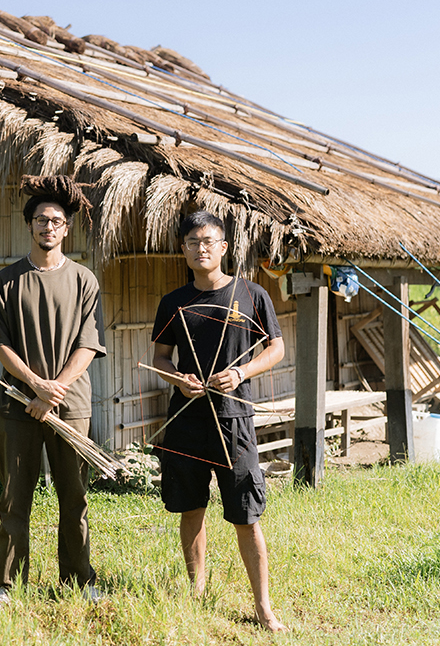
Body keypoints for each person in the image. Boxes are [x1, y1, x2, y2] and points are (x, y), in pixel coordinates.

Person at [150, 211, 287, 631]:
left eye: (208, 240)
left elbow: (277, 348)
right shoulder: (173, 303)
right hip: (187, 419)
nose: (201, 248)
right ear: (184, 250)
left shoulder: (251, 294)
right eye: (192, 242)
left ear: (224, 247)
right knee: (190, 508)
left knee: (246, 514)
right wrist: (178, 378)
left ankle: (263, 607)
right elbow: (159, 357)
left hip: (234, 419)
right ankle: (197, 591)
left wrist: (241, 373)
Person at [0, 175, 106, 609]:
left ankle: (79, 578)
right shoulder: (6, 281)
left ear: (67, 228)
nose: (47, 227)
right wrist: (35, 386)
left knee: (75, 496)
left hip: (71, 407)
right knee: (15, 497)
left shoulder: (84, 280)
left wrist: (54, 391)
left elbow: (89, 343)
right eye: (40, 220)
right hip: (18, 407)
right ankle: (9, 584)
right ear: (29, 225)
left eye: (55, 220)